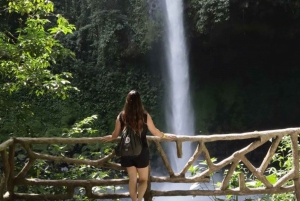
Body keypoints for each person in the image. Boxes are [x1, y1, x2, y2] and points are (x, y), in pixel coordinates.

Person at [100, 90, 176, 201]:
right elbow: (155, 132)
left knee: (132, 179)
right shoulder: (144, 116)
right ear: (139, 102)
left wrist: (110, 137)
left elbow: (115, 134)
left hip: (127, 151)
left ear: (127, 101)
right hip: (142, 152)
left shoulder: (121, 116)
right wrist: (165, 135)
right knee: (143, 180)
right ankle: (139, 199)